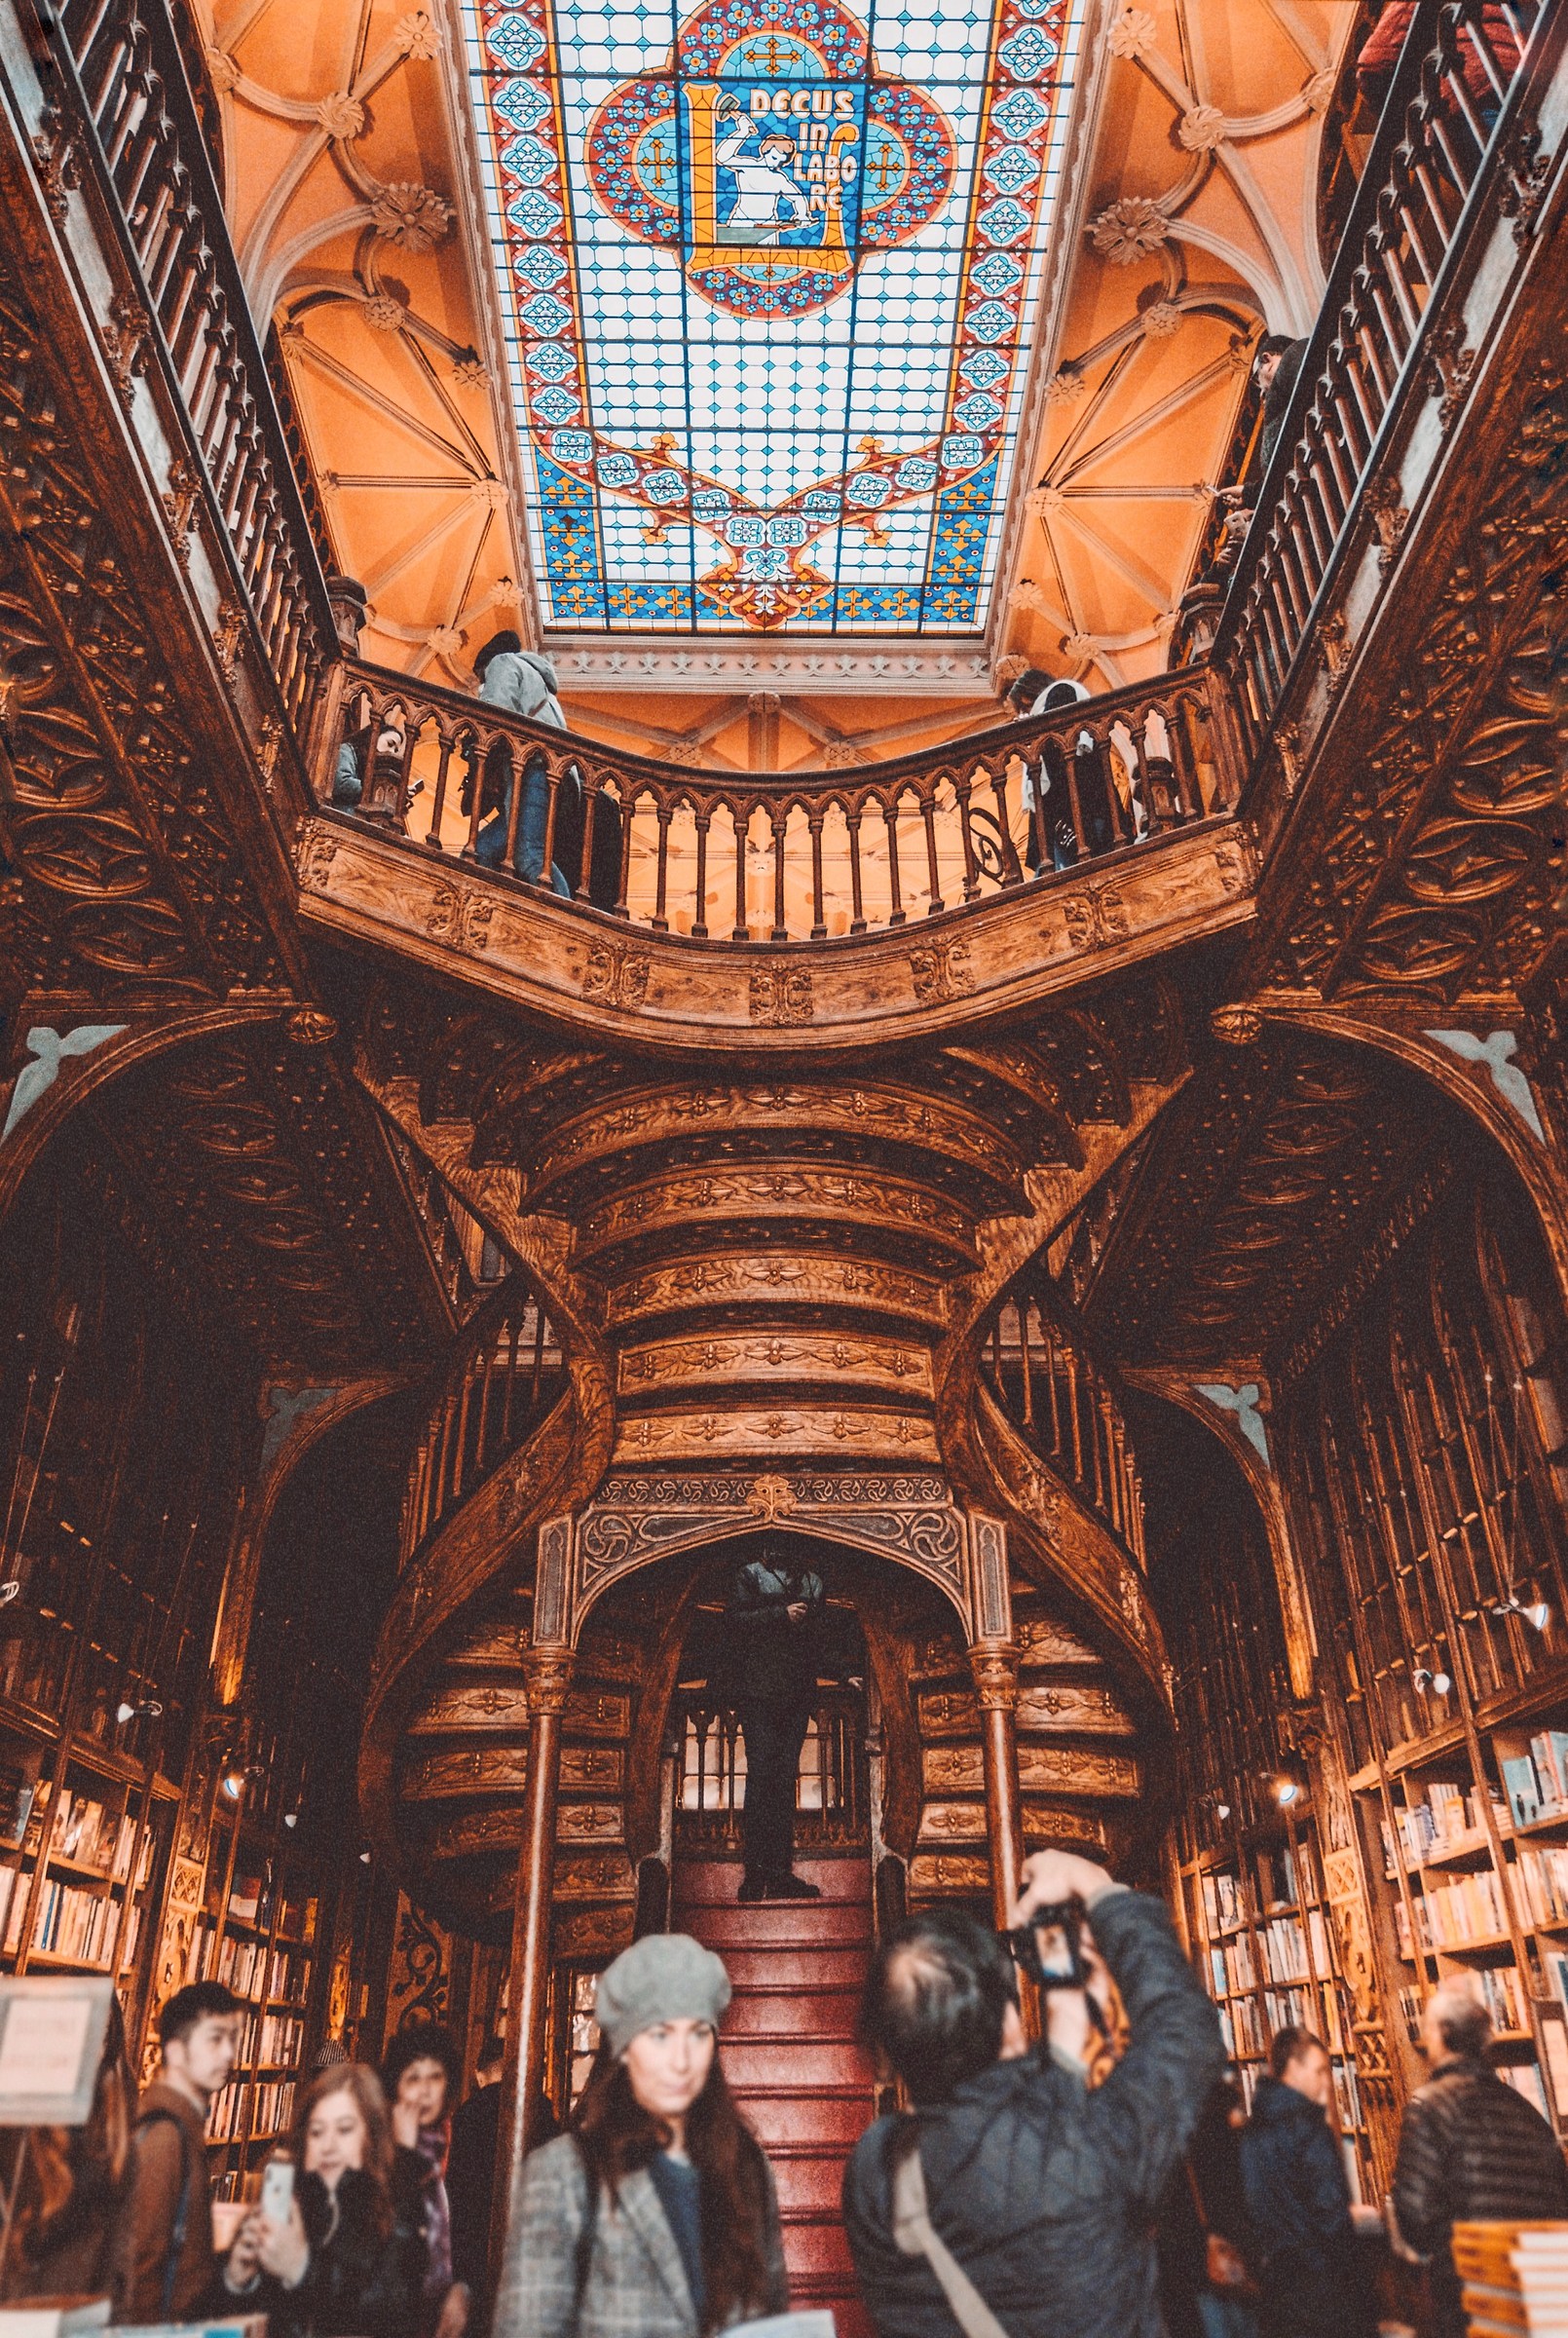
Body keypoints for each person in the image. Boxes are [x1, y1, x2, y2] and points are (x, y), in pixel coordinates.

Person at [843, 1845, 1225, 2338]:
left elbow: (1006, 2125)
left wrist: (1060, 2009)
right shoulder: (1092, 2140)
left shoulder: (876, 2171)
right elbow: (1182, 2030)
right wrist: (1097, 1886)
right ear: (1009, 2023)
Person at [502, 1933, 789, 2338]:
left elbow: (770, 2315)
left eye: (699, 2034)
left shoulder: (745, 2164)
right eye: (660, 2035)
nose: (682, 2061)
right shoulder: (562, 2174)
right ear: (624, 2049)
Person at [1392, 1978, 1568, 2338]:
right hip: (1542, 2293)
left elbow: (1415, 2216)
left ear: (1441, 2034)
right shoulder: (1526, 2110)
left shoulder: (1427, 2106)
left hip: (1472, 2293)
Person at [223, 2061, 427, 2338]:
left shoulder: (396, 2209)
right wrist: (238, 2281)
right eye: (316, 2132)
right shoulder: (290, 2208)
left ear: (371, 2138)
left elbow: (392, 2309)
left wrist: (301, 2270)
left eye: (344, 2130)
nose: (327, 2145)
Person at [118, 1977, 242, 2321]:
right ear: (174, 2051)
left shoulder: (181, 2126)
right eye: (215, 2039)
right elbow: (141, 2270)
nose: (229, 2054)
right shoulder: (164, 2135)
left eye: (232, 2039)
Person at [3, 1994, 133, 2301]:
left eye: (100, 2039)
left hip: (78, 2307)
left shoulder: (114, 2127)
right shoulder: (20, 2126)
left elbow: (119, 2249)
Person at [718, 1534, 827, 1904]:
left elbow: (820, 1639)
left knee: (783, 1782)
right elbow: (732, 1622)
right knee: (762, 1778)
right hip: (759, 1692)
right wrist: (780, 1614)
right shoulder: (749, 1575)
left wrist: (843, 1674)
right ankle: (754, 1876)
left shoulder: (812, 1581)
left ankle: (780, 1874)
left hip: (796, 1695)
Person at [1238, 2028, 1366, 2338]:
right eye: (1320, 2071)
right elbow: (1332, 2217)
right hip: (1324, 2289)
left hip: (1276, 2290)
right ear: (1293, 2069)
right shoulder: (1308, 2129)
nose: (1326, 2083)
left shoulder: (1249, 2133)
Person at [470, 630, 573, 895]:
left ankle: (568, 921)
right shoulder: (541, 683)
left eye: (481, 679)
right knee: (481, 850)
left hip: (537, 768)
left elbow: (493, 714)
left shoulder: (503, 662)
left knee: (529, 854)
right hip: (553, 773)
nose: (482, 685)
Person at [386, 2021, 466, 2338]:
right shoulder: (374, 2143)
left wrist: (463, 2288)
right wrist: (404, 2153)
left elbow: (468, 2228)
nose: (425, 2090)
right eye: (413, 2078)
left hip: (438, 2312)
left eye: (436, 2077)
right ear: (397, 2086)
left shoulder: (455, 2140)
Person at [446, 2033, 505, 2338]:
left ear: (479, 2075)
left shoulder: (467, 2116)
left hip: (474, 2242)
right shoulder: (541, 2109)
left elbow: (455, 2192)